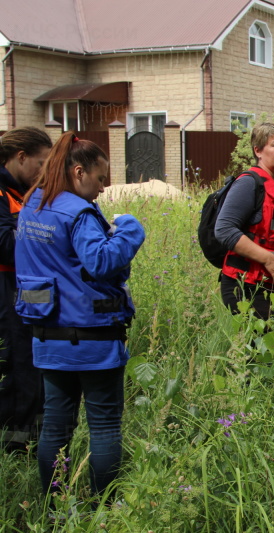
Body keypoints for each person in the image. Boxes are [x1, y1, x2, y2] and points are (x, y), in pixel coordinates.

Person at [14, 132, 145, 499]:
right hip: (93, 339)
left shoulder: (32, 206)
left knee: (55, 427)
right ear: (78, 172)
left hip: (47, 336)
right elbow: (101, 261)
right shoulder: (78, 212)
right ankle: (105, 509)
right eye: (100, 178)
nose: (103, 187)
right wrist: (131, 229)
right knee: (103, 426)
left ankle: (54, 509)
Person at [215, 123, 274, 320]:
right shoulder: (248, 184)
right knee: (263, 349)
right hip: (246, 286)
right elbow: (224, 230)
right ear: (258, 151)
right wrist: (267, 258)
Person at [0, 127, 52, 452]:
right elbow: (5, 244)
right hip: (5, 293)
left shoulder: (20, 193)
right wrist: (42, 229)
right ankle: (15, 451)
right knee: (17, 369)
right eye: (40, 163)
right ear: (21, 158)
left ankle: (34, 441)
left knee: (34, 365)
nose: (43, 171)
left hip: (24, 292)